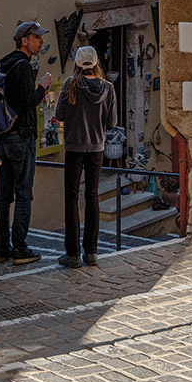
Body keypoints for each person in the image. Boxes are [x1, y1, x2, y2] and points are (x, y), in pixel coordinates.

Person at [0, 21, 53, 265]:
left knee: (4, 194)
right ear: (24, 41)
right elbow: (29, 101)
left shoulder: (5, 63)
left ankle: (2, 247)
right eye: (36, 37)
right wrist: (43, 86)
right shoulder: (23, 67)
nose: (41, 41)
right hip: (22, 136)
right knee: (23, 194)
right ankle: (19, 248)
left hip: (4, 136)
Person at [54, 45, 118, 268]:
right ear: (97, 63)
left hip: (74, 147)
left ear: (77, 64)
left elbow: (59, 114)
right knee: (92, 196)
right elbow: (112, 122)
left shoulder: (70, 85)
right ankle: (91, 252)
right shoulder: (108, 88)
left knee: (71, 198)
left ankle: (72, 254)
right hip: (97, 148)